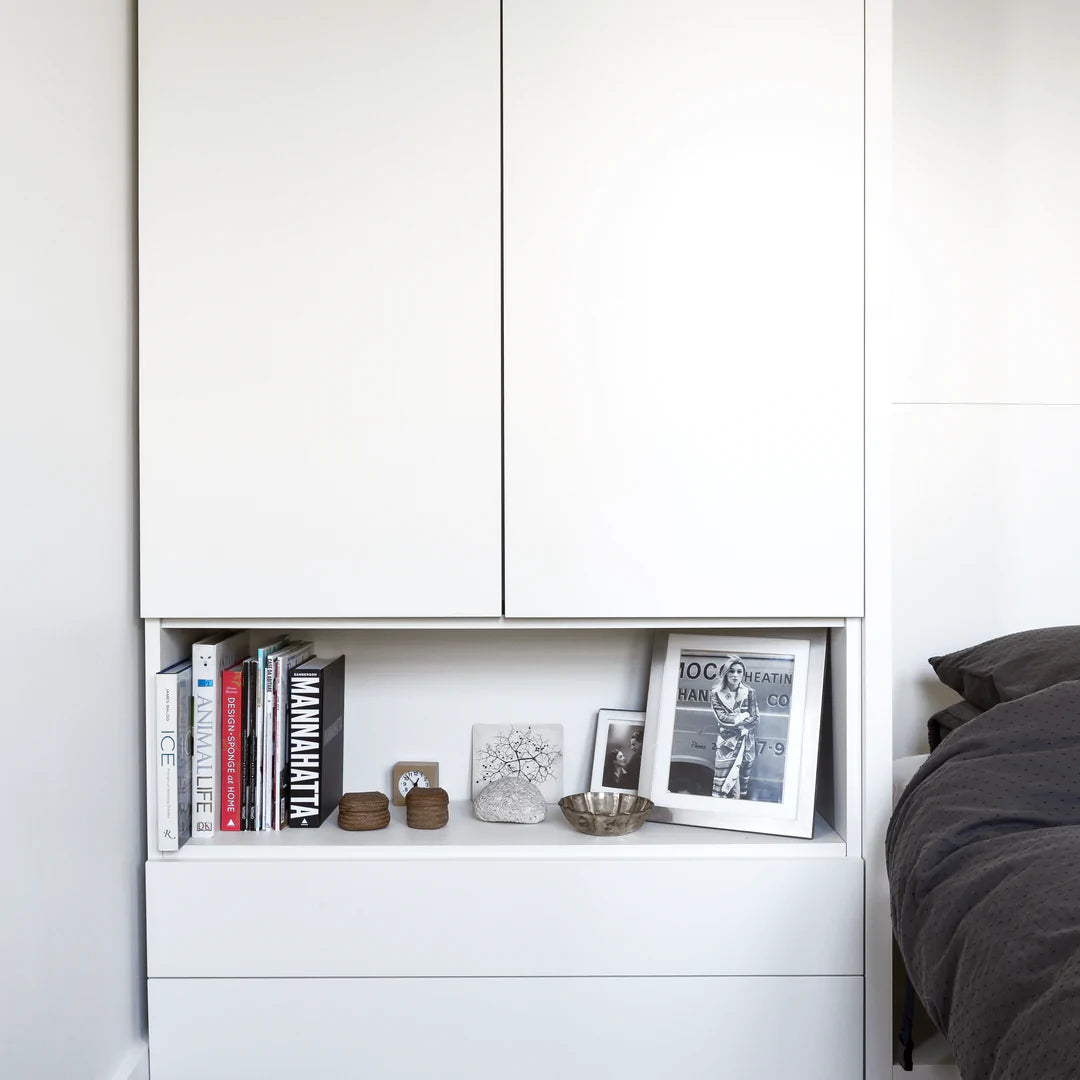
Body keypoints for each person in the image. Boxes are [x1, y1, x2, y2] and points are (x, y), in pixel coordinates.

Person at [708, 655, 759, 799]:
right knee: (724, 787)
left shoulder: (750, 692)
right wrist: (742, 717)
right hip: (727, 746)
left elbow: (756, 719)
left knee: (741, 789)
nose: (735, 675)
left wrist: (740, 722)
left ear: (743, 674)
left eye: (739, 671)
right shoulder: (716, 694)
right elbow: (722, 718)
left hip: (746, 745)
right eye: (731, 671)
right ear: (725, 673)